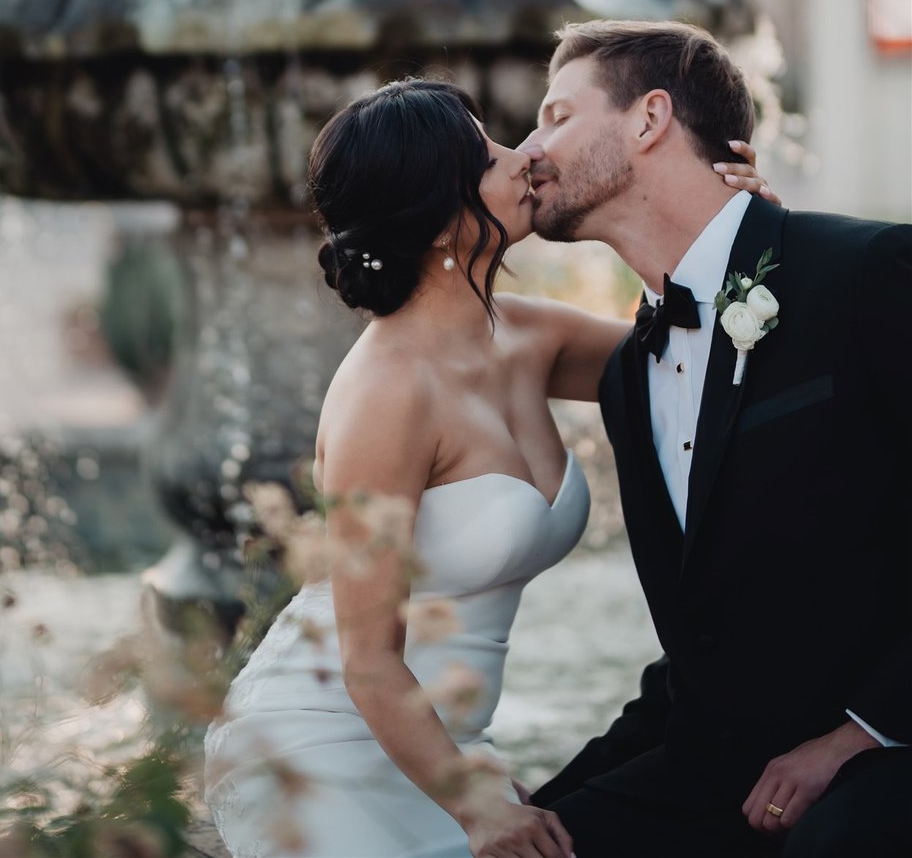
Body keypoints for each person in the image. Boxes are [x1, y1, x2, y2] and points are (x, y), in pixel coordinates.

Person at [204, 77, 774, 858]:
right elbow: (367, 661)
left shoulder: (529, 336)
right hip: (320, 745)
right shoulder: (386, 395)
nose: (523, 159)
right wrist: (476, 805)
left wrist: (744, 229)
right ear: (436, 219)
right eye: (486, 156)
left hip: (444, 745)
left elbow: (704, 353)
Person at [517, 20, 912, 857]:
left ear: (649, 118)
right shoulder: (630, 375)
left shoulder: (870, 272)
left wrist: (864, 733)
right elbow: (699, 661)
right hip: (724, 773)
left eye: (555, 115)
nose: (530, 149)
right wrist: (547, 805)